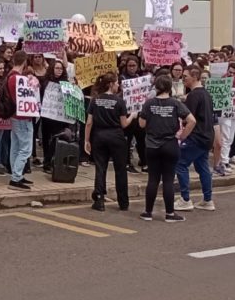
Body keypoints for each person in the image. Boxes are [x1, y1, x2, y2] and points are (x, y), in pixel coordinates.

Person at [137, 74, 196, 222]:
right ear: (170, 87)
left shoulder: (149, 104)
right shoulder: (175, 103)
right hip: (170, 144)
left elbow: (142, 124)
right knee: (168, 180)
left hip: (151, 145)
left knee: (153, 179)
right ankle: (170, 214)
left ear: (156, 87)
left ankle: (147, 212)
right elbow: (191, 120)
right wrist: (182, 135)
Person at [84, 72, 135, 212]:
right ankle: (123, 202)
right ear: (111, 84)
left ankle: (99, 199)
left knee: (101, 168)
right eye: (117, 82)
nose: (118, 85)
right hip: (116, 137)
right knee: (120, 169)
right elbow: (124, 124)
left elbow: (89, 123)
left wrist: (86, 140)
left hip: (99, 136)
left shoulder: (95, 100)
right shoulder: (119, 101)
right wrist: (133, 116)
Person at [174, 66, 216, 212]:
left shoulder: (193, 96)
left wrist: (183, 135)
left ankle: (185, 199)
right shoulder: (206, 94)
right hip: (207, 137)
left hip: (196, 137)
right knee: (202, 166)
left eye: (186, 76)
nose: (183, 78)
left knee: (180, 163)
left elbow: (189, 119)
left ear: (195, 76)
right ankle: (207, 199)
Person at [4, 50, 35, 191]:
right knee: (25, 148)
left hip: (15, 116)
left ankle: (17, 174)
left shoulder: (10, 76)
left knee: (16, 147)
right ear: (24, 62)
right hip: (23, 116)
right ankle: (16, 178)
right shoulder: (18, 78)